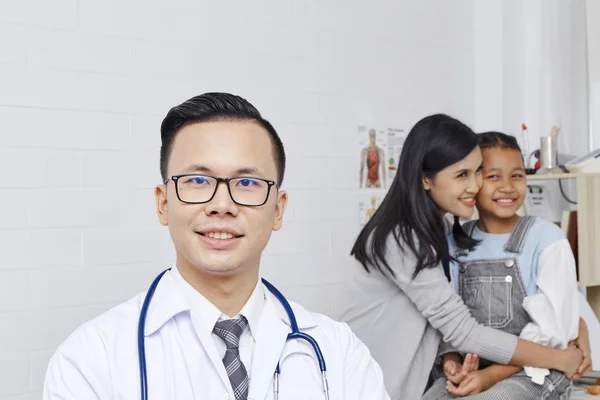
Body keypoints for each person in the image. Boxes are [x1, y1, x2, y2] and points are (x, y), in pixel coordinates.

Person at [43, 93, 389, 400]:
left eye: (247, 182)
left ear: (278, 209)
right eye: (197, 180)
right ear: (163, 204)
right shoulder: (91, 358)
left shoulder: (338, 352)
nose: (221, 204)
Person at [338, 114, 587, 400]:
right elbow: (461, 329)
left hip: (422, 379)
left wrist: (577, 330)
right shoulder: (403, 238)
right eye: (462, 175)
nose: (474, 185)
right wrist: (559, 357)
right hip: (378, 384)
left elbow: (446, 316)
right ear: (425, 179)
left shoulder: (441, 228)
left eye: (477, 171)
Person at [422, 131, 586, 399]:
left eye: (517, 175)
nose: (508, 187)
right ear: (473, 181)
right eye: (493, 176)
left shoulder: (546, 239)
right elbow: (445, 321)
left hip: (535, 369)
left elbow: (551, 331)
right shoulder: (454, 243)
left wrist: (489, 377)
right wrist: (451, 361)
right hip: (473, 369)